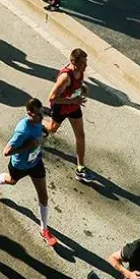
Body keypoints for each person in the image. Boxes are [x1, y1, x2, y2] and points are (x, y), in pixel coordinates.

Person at [0, 97, 57, 247]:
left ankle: (44, 230)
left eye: (42, 113)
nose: (41, 117)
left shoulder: (38, 121)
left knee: (43, 196)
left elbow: (44, 124)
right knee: (11, 181)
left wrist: (43, 131)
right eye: (38, 115)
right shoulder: (22, 131)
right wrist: (27, 146)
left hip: (36, 163)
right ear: (29, 114)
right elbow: (6, 152)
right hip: (19, 166)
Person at [45, 48, 96, 183]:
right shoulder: (65, 77)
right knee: (51, 129)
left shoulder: (80, 71)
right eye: (83, 63)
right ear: (74, 63)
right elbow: (52, 98)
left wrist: (81, 89)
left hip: (73, 107)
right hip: (61, 107)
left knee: (80, 136)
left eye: (86, 62)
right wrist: (73, 101)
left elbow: (76, 86)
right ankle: (35, 123)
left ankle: (80, 169)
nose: (86, 65)